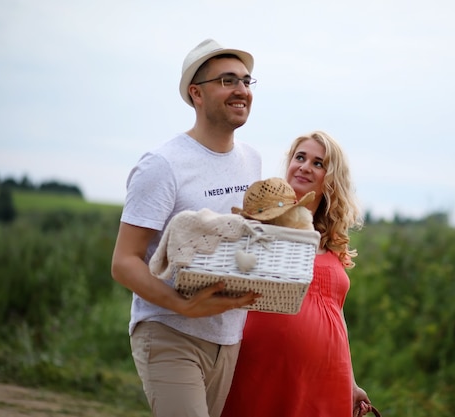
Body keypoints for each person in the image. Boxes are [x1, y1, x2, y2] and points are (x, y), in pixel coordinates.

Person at [110, 38, 262, 417]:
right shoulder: (163, 164)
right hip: (169, 331)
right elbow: (124, 261)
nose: (241, 90)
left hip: (228, 338)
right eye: (227, 80)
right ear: (196, 93)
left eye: (246, 81)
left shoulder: (252, 161)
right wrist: (183, 306)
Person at [222, 130, 374, 416]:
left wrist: (351, 382)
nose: (305, 166)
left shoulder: (331, 240)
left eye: (318, 163)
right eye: (300, 157)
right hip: (264, 366)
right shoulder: (260, 224)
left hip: (329, 375)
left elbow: (335, 313)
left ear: (331, 178)